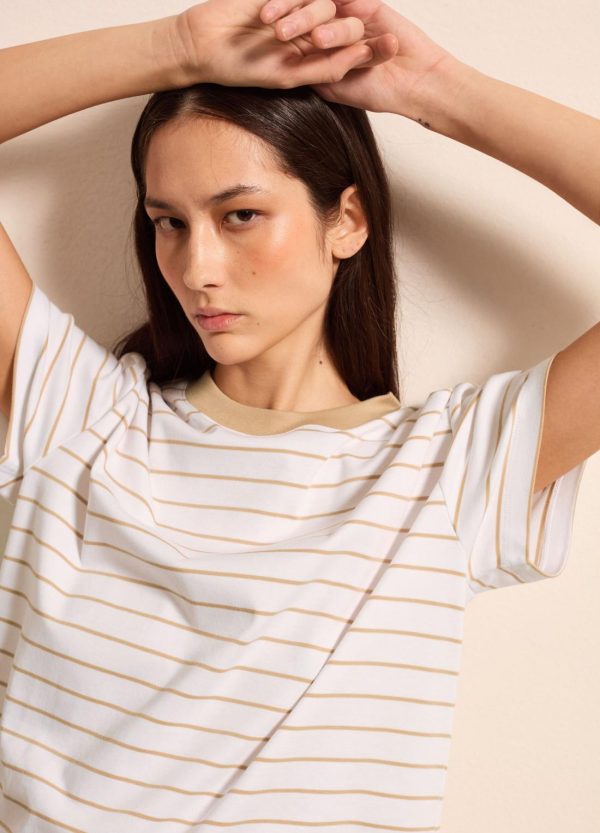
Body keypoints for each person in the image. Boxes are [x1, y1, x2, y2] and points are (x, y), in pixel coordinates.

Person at [0, 0, 597, 829]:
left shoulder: (448, 468)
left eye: (240, 215)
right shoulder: (77, 417)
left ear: (346, 220)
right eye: (169, 223)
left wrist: (438, 89)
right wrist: (174, 47)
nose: (197, 267)